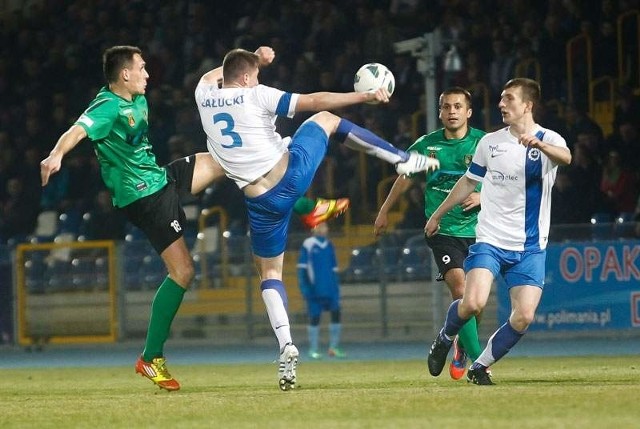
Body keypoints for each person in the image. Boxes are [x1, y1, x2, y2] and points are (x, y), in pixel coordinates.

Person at [39, 45, 351, 392]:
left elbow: (214, 76)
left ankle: (308, 209)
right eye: (141, 68)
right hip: (144, 197)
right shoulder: (107, 106)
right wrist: (55, 155)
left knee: (227, 157)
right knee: (184, 272)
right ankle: (150, 357)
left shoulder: (135, 99)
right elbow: (78, 129)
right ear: (124, 74)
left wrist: (253, 61)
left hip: (160, 178)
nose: (147, 73)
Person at [195, 47, 439, 391]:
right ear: (248, 78)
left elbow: (211, 76)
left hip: (260, 202)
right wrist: (363, 95)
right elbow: (314, 100)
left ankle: (286, 345)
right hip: (289, 177)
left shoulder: (204, 96)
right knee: (325, 119)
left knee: (269, 274)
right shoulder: (257, 94)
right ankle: (401, 159)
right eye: (257, 75)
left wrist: (252, 59)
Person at [425, 78, 571, 385]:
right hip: (490, 240)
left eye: (508, 99)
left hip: (530, 247)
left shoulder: (550, 139)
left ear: (527, 105)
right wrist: (438, 214)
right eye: (501, 99)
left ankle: (479, 366)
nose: (501, 104)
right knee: (472, 302)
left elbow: (566, 158)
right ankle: (445, 336)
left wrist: (540, 145)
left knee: (524, 316)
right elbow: (466, 182)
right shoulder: (490, 143)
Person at [374, 87, 485, 381]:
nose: (452, 111)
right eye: (447, 106)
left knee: (477, 301)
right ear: (440, 112)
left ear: (468, 112)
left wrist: (483, 198)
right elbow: (404, 179)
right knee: (461, 291)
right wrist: (384, 211)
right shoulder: (427, 145)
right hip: (442, 229)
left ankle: (458, 344)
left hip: (481, 230)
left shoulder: (484, 143)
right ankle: (479, 366)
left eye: (458, 106)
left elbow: (504, 179)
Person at [297, 222, 345, 359]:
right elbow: (302, 268)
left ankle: (334, 348)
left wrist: (336, 288)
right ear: (315, 228)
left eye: (326, 226)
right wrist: (305, 288)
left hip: (330, 289)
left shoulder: (329, 245)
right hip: (315, 289)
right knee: (315, 318)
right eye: (322, 226)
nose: (326, 228)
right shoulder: (308, 244)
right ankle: (313, 349)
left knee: (336, 314)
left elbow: (334, 269)